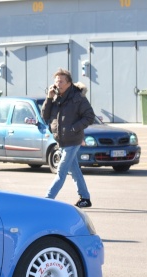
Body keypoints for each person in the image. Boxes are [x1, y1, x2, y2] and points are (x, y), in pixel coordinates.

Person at [42, 68, 96, 208]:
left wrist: (74, 128)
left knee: (61, 172)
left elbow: (90, 117)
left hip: (73, 140)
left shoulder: (78, 98)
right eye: (56, 81)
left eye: (61, 81)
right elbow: (45, 116)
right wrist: (49, 98)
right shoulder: (55, 96)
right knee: (75, 171)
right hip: (61, 141)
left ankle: (48, 199)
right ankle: (85, 198)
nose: (57, 84)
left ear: (69, 83)